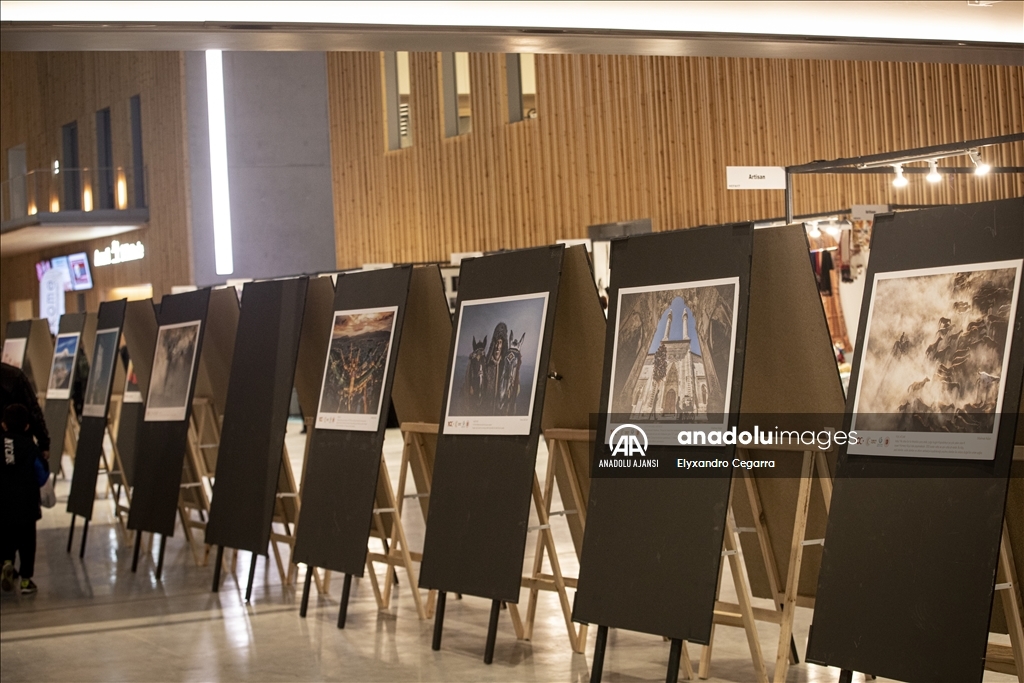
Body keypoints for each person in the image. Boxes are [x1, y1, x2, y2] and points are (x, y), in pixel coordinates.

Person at [2, 403, 43, 594]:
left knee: (5, 538)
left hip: (3, 505)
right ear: (27, 426)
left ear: (3, 425)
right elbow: (41, 475)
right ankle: (26, 580)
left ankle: (6, 563)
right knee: (27, 543)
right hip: (27, 505)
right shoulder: (30, 447)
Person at [0, 362, 50, 469]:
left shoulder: (15, 376)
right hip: (18, 447)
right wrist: (43, 442)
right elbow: (33, 411)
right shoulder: (14, 376)